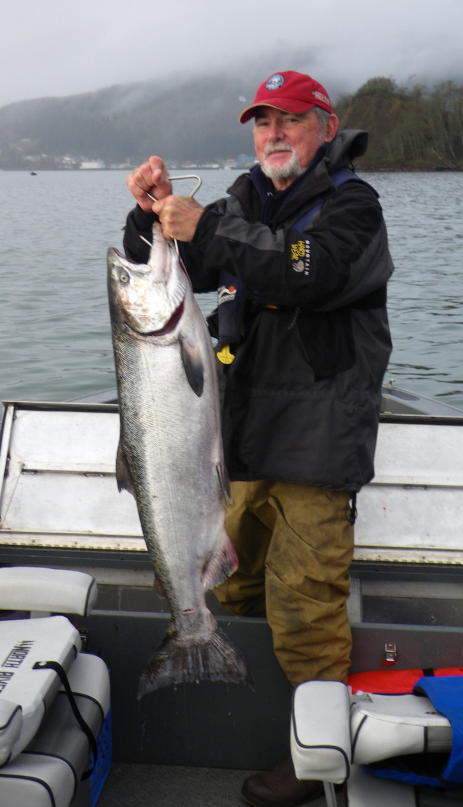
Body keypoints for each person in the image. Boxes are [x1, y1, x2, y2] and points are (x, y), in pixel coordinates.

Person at [124, 70, 393, 807]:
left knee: (306, 608)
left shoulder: (354, 209)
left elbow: (308, 269)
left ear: (326, 129)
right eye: (261, 122)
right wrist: (149, 215)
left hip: (316, 448)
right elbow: (190, 266)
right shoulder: (244, 198)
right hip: (238, 446)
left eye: (290, 120)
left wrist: (204, 225)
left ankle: (317, 761)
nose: (273, 134)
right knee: (231, 586)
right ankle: (244, 713)